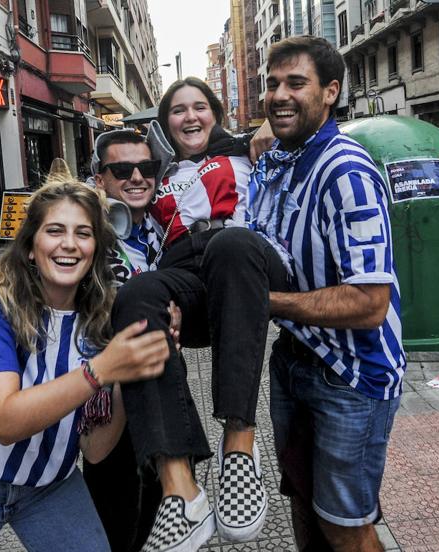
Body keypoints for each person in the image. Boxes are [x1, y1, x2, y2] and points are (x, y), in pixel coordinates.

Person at [0, 181, 171, 552]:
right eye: (54, 231)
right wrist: (101, 369)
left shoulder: (101, 318)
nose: (69, 244)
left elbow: (95, 449)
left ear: (95, 250)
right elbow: (4, 421)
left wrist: (133, 365)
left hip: (49, 484)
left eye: (83, 233)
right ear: (31, 246)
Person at [112, 77, 289, 551]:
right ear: (165, 123)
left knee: (231, 245)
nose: (189, 116)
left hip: (243, 256)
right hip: (184, 270)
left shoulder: (249, 150)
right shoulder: (160, 177)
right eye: (177, 110)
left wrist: (269, 126)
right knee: (136, 296)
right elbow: (143, 244)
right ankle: (181, 491)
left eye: (199, 107)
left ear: (216, 112)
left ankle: (239, 450)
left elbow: (298, 126)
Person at [250, 36, 405, 552]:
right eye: (272, 84)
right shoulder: (283, 162)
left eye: (296, 83)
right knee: (302, 501)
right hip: (293, 363)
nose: (279, 95)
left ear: (330, 91)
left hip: (350, 377)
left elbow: (369, 304)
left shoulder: (347, 172)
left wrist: (264, 303)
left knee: (344, 524)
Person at [83, 129, 166, 552]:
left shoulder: (158, 225)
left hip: (154, 394)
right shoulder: (85, 233)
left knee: (153, 510)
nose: (137, 177)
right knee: (113, 517)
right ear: (100, 178)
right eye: (121, 170)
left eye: (146, 168)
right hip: (105, 396)